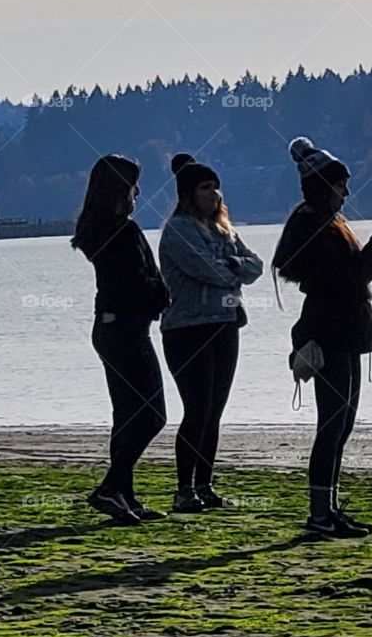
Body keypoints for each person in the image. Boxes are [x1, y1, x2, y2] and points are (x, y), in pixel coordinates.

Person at [272, 136, 372, 540]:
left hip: (340, 333)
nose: (346, 193)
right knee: (332, 426)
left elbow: (348, 277)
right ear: (323, 186)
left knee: (340, 425)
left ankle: (328, 509)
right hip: (330, 334)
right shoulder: (315, 229)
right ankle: (319, 514)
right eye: (340, 185)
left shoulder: (323, 225)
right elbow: (350, 279)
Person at [159, 153, 263, 512]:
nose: (215, 193)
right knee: (197, 408)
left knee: (215, 410)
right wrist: (233, 271)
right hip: (187, 329)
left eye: (216, 187)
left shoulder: (225, 230)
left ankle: (205, 484)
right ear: (189, 193)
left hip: (225, 326)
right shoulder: (177, 231)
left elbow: (257, 265)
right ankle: (183, 489)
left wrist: (233, 265)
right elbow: (206, 270)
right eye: (206, 187)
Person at [72, 155, 169, 525]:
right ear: (120, 190)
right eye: (133, 186)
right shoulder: (124, 232)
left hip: (110, 328)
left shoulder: (96, 231)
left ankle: (123, 493)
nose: (138, 193)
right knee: (152, 414)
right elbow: (139, 283)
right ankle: (112, 486)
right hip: (128, 329)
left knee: (127, 415)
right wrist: (162, 296)